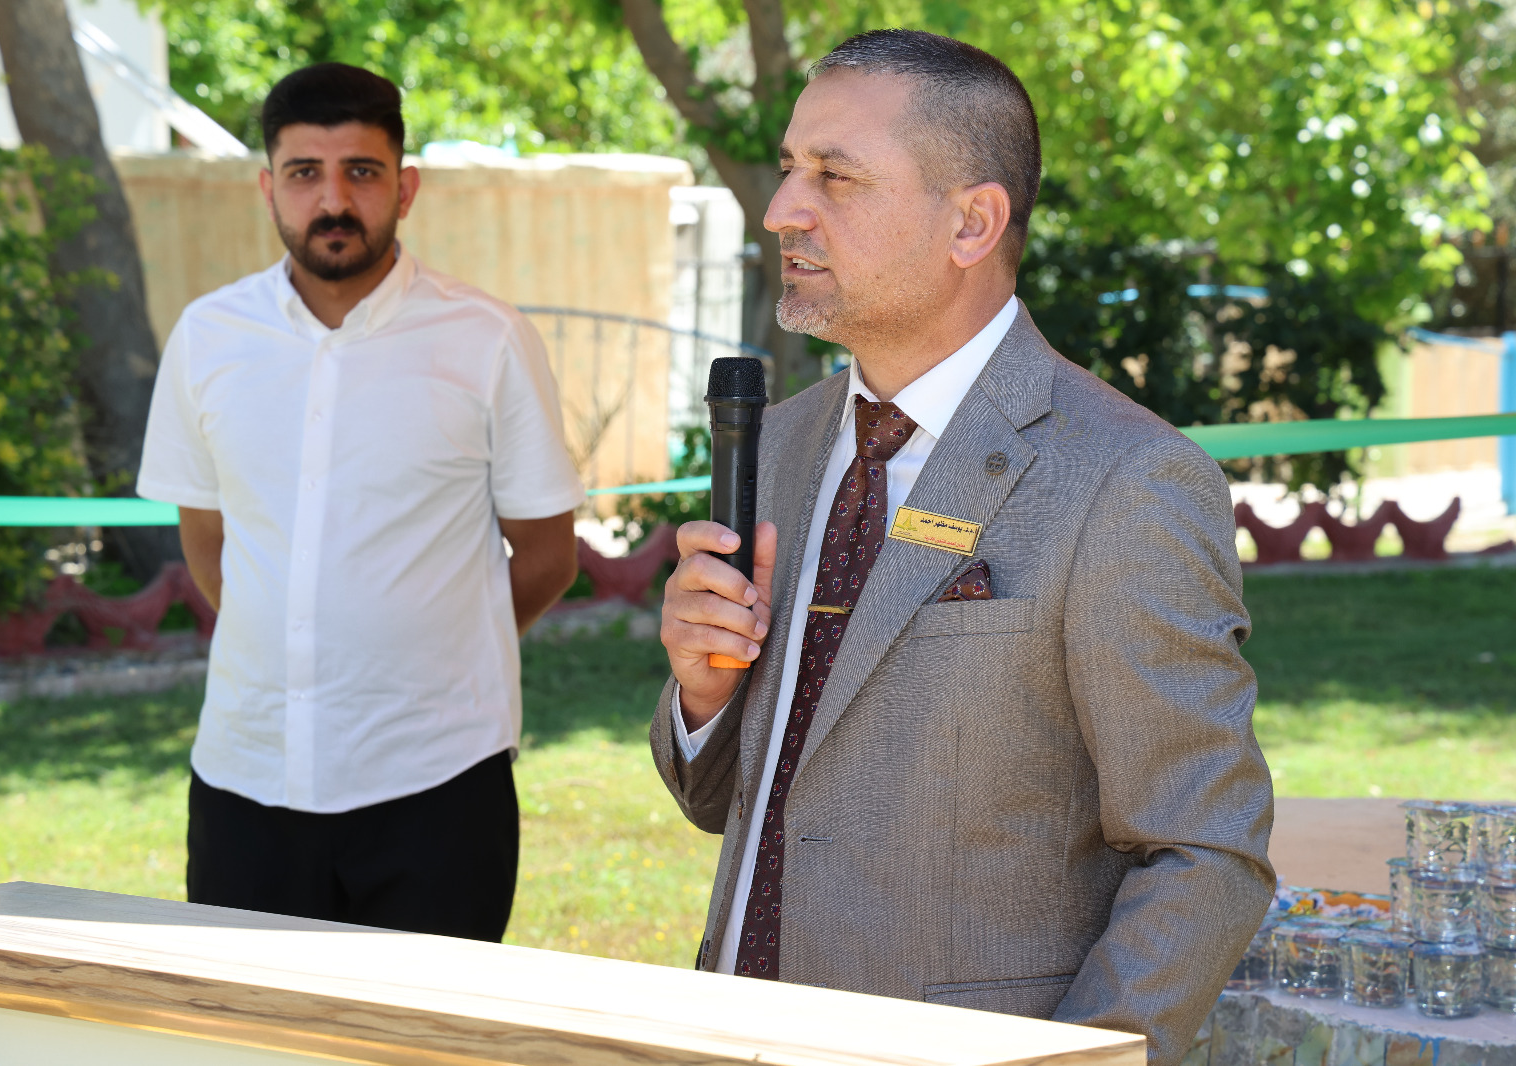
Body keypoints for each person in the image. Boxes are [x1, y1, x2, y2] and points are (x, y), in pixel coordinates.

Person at [653, 29, 1273, 1066]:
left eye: (834, 176)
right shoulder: (779, 444)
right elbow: (736, 803)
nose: (782, 209)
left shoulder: (1126, 480)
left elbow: (1203, 852)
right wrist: (703, 697)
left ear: (972, 222)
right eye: (792, 166)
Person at [137, 63, 584, 939]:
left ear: (404, 188)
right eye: (305, 172)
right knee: (249, 1019)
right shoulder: (208, 337)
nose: (333, 200)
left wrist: (432, 654)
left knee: (427, 1019)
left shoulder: (487, 340)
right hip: (245, 778)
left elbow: (547, 555)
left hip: (439, 785)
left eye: (362, 172)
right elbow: (208, 542)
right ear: (268, 187)